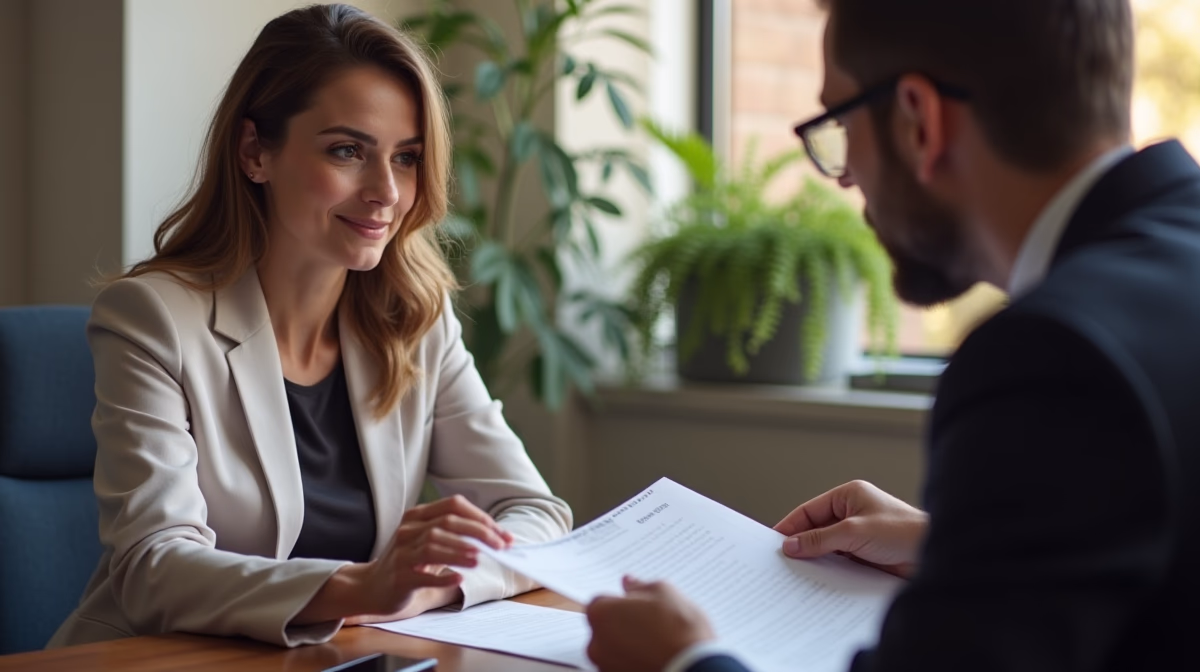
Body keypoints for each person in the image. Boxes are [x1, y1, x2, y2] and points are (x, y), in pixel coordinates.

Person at [586, 0, 1200, 670]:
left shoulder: (1052, 357)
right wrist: (959, 547)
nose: (844, 174)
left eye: (840, 124)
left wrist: (685, 661)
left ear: (917, 121)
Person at [48, 4, 571, 649]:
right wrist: (364, 588)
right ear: (254, 152)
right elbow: (154, 568)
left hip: (342, 655)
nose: (386, 191)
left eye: (406, 157)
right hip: (161, 661)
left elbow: (538, 515)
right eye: (348, 150)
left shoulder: (415, 320)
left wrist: (429, 583)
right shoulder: (154, 319)